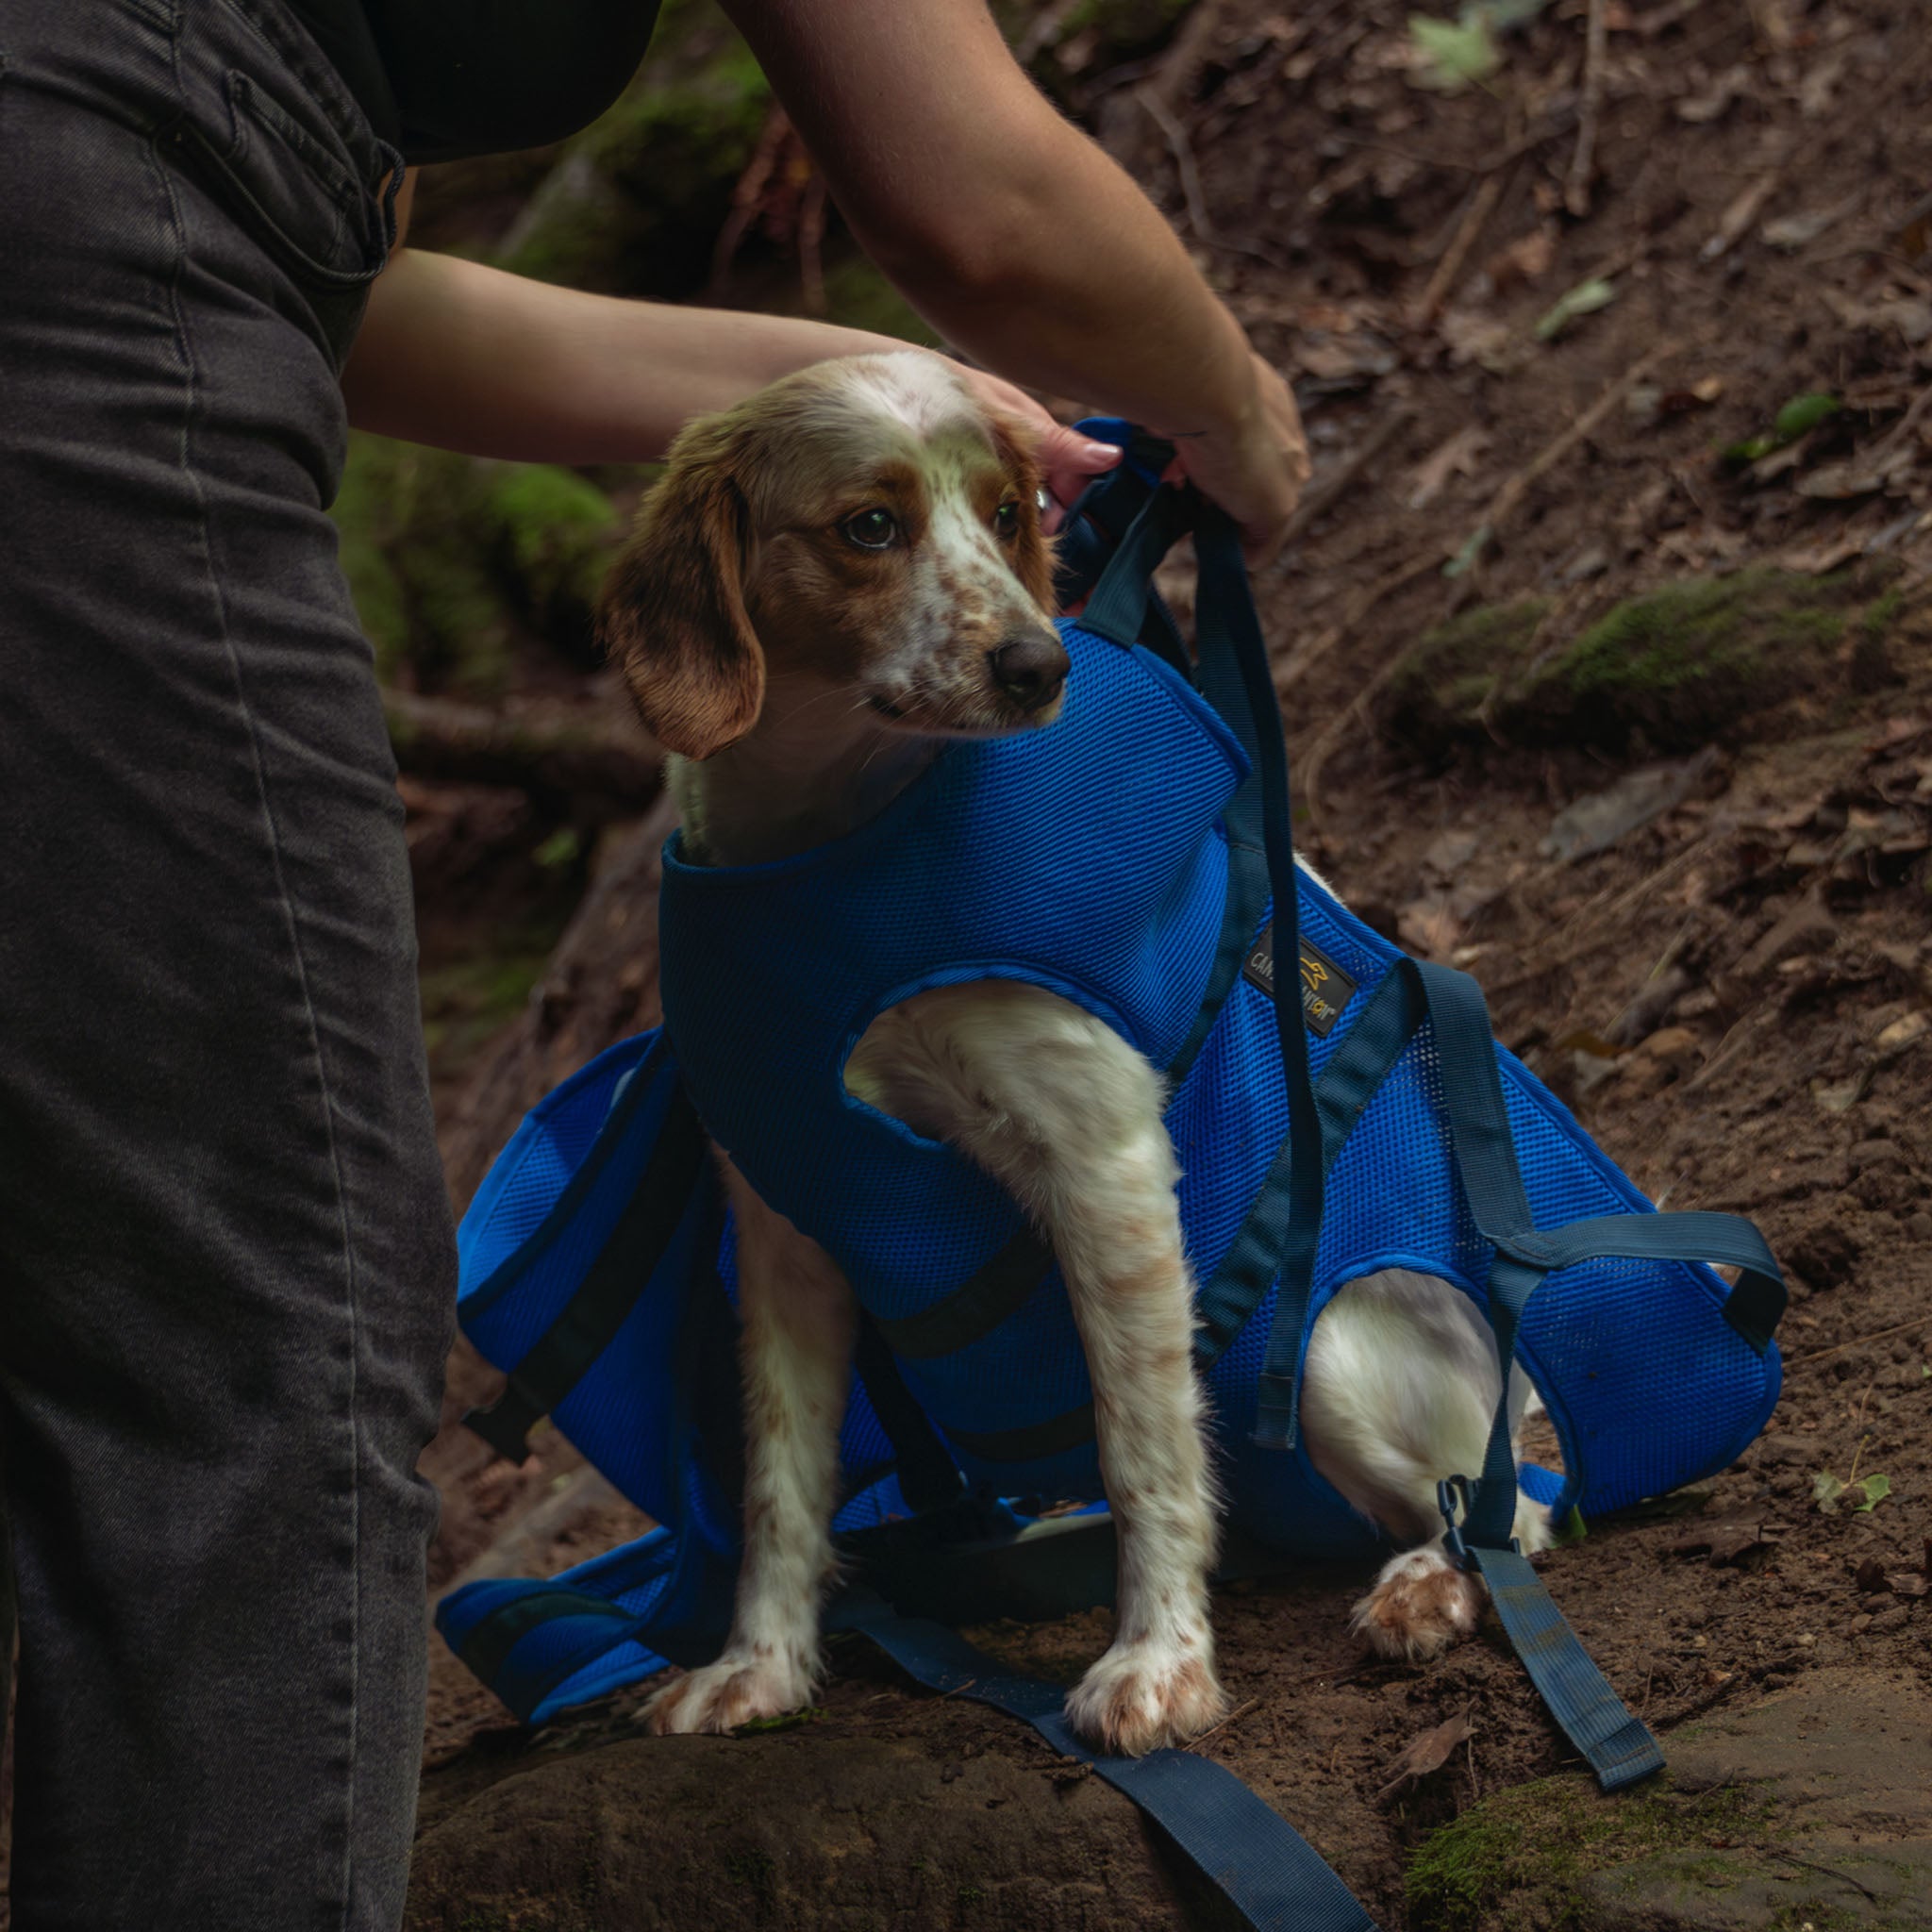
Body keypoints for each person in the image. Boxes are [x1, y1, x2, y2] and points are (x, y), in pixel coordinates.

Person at [0, 0, 1307, 1924]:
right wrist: (1235, 412)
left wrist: (863, 388)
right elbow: (984, 191)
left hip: (113, 252)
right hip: (83, 321)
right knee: (259, 1339)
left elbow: (333, 290)